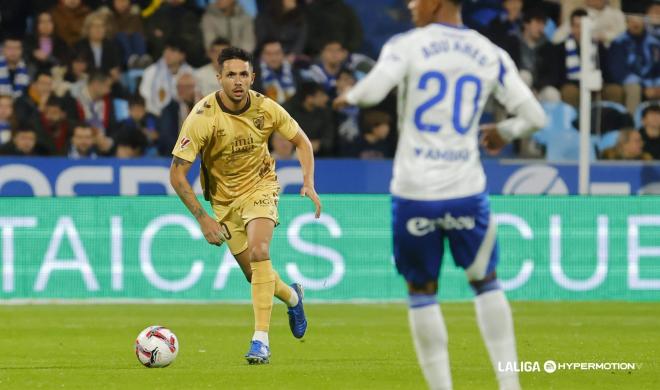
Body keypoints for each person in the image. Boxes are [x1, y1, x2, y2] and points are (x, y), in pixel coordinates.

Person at [333, 1, 546, 389]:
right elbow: (535, 117)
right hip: (466, 189)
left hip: (414, 191)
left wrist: (349, 96)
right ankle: (510, 384)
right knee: (485, 281)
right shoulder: (489, 52)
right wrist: (504, 132)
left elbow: (371, 93)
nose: (411, 5)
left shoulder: (407, 44)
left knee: (421, 290)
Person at [169, 47, 321, 364]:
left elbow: (302, 142)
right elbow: (177, 175)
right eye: (231, 75)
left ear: (252, 77)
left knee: (260, 251)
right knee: (256, 277)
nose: (238, 81)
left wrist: (308, 182)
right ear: (219, 78)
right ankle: (293, 297)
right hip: (223, 202)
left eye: (243, 75)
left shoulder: (266, 108)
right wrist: (203, 219)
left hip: (261, 188)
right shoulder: (202, 118)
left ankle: (260, 341)